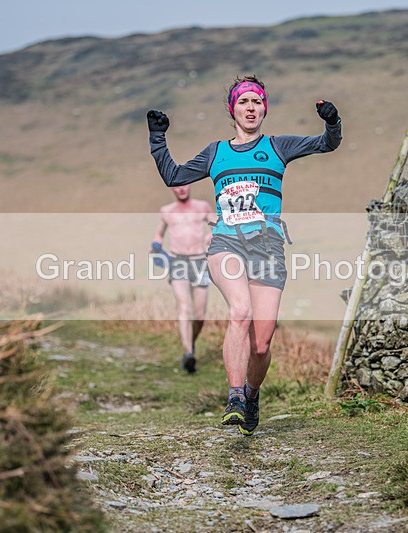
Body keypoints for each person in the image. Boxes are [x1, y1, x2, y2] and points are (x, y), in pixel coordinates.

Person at [147, 75, 341, 435]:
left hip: (268, 247)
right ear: (232, 109)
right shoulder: (215, 153)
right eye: (243, 102)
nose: (250, 108)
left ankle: (251, 395)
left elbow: (327, 144)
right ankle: (234, 397)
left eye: (256, 102)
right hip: (227, 242)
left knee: (261, 343)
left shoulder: (278, 146)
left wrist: (332, 121)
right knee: (240, 311)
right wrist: (157, 138)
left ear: (264, 109)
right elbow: (174, 176)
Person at [151, 184, 215, 373]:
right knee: (184, 307)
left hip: (200, 261)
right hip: (177, 261)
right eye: (176, 187)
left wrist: (212, 235)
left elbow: (217, 225)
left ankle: (190, 342)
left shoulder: (202, 206)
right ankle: (188, 354)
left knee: (200, 316)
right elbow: (159, 234)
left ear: (190, 184)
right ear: (172, 189)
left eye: (184, 185)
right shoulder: (166, 211)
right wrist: (155, 246)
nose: (181, 189)